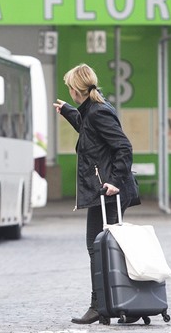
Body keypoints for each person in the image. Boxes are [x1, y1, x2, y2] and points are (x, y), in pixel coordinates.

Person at [53, 63, 140, 325]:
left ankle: (101, 306)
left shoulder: (99, 112)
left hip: (110, 192)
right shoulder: (92, 110)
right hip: (103, 192)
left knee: (98, 247)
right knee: (105, 248)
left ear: (75, 89)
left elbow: (123, 147)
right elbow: (91, 134)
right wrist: (69, 113)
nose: (68, 91)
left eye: (69, 87)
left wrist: (114, 180)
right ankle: (114, 304)